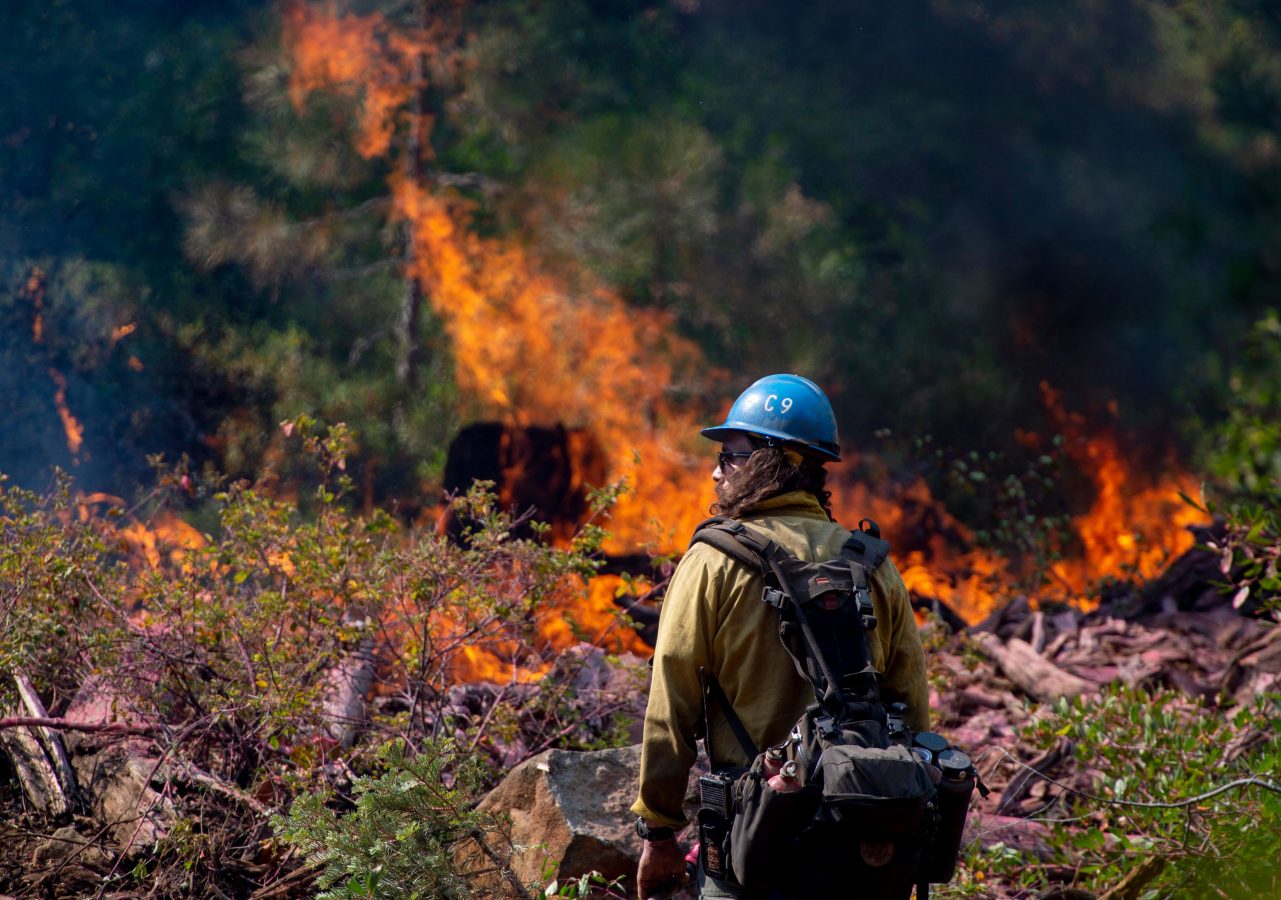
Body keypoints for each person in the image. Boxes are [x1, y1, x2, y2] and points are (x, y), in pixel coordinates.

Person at [631, 374, 931, 900]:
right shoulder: (875, 568)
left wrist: (658, 830)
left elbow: (670, 706)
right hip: (860, 839)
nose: (715, 470)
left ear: (769, 462)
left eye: (730, 455)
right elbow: (912, 707)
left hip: (752, 843)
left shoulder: (713, 562)